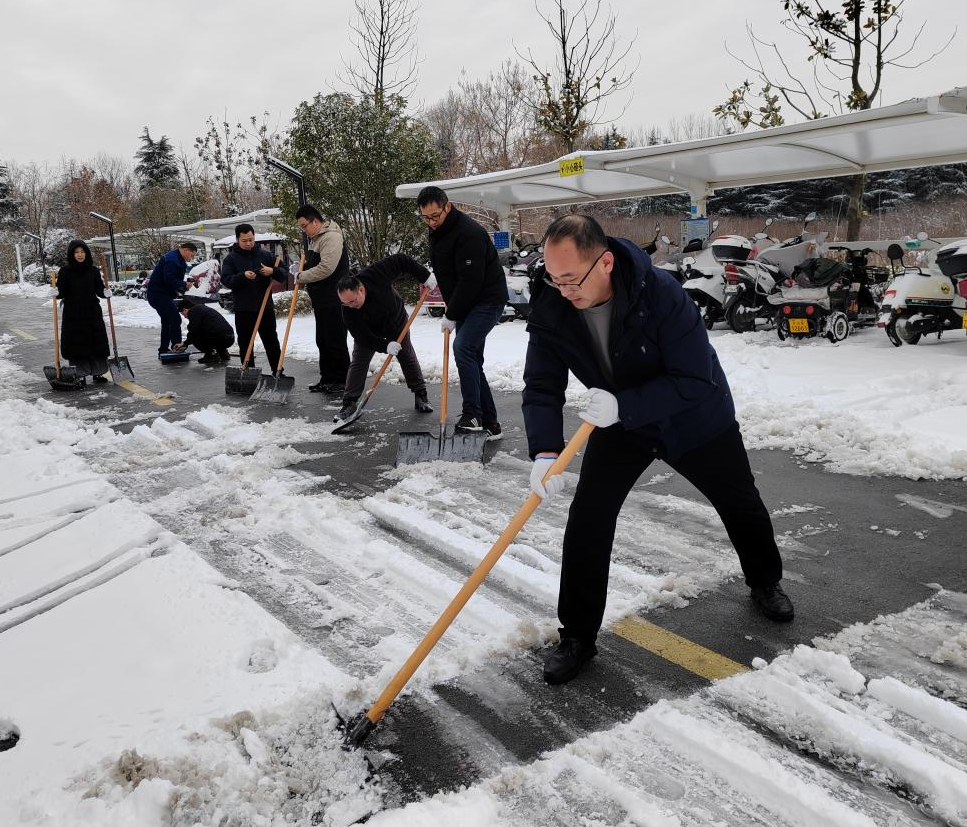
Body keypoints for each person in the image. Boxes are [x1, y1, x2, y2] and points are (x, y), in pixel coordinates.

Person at [523, 214, 793, 686]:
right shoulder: (553, 305)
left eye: (571, 278)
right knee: (589, 518)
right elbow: (541, 385)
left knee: (738, 499)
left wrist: (623, 405)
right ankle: (578, 636)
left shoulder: (661, 295)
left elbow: (694, 379)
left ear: (604, 262)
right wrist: (545, 451)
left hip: (692, 416)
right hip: (619, 423)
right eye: (553, 276)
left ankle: (765, 580)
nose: (562, 289)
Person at [417, 185, 508, 439]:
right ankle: (491, 423)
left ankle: (472, 415)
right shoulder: (439, 232)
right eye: (426, 217)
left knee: (463, 347)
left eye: (435, 216)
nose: (431, 222)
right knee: (472, 360)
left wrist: (452, 313)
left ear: (448, 206)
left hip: (487, 299)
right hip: (467, 301)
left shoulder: (469, 233)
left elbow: (470, 280)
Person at [334, 254, 438, 423]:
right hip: (370, 331)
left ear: (360, 290)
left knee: (406, 355)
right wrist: (384, 346)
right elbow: (362, 337)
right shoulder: (348, 310)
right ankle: (349, 403)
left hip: (395, 321)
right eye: (346, 304)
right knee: (359, 361)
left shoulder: (376, 274)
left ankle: (421, 396)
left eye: (352, 301)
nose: (350, 306)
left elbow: (402, 260)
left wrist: (424, 275)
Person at [294, 205, 350, 396]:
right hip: (322, 300)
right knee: (323, 340)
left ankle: (342, 380)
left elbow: (327, 268)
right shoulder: (316, 239)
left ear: (315, 221)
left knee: (335, 340)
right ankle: (327, 378)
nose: (303, 230)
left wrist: (302, 276)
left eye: (304, 226)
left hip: (334, 298)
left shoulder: (331, 237)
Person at [220, 224, 282, 374]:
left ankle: (278, 371)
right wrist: (242, 276)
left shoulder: (265, 255)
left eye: (251, 240)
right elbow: (226, 280)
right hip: (243, 308)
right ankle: (249, 372)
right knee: (246, 343)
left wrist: (272, 271)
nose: (248, 243)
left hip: (265, 306)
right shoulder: (231, 259)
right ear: (237, 239)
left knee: (271, 341)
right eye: (244, 240)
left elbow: (283, 272)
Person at [55, 240, 111, 382]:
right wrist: (55, 292)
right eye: (76, 252)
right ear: (71, 254)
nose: (80, 255)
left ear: (86, 253)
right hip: (73, 313)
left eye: (82, 251)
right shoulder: (65, 271)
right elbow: (61, 293)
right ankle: (80, 373)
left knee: (95, 343)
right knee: (78, 345)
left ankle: (98, 372)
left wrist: (106, 292)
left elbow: (99, 291)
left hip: (92, 312)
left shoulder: (93, 271)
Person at [146, 242, 196, 355]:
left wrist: (184, 285)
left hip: (160, 294)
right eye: (192, 255)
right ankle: (177, 347)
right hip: (158, 294)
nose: (191, 258)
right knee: (175, 319)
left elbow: (172, 279)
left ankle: (163, 349)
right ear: (186, 250)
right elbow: (169, 279)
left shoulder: (176, 258)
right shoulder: (172, 259)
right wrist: (184, 285)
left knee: (167, 321)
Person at [174, 297, 235, 364]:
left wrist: (185, 343)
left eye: (183, 314)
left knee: (196, 337)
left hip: (221, 338)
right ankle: (222, 352)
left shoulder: (193, 311)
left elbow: (193, 330)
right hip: (230, 338)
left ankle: (211, 355)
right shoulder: (201, 308)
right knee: (207, 330)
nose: (185, 317)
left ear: (185, 310)